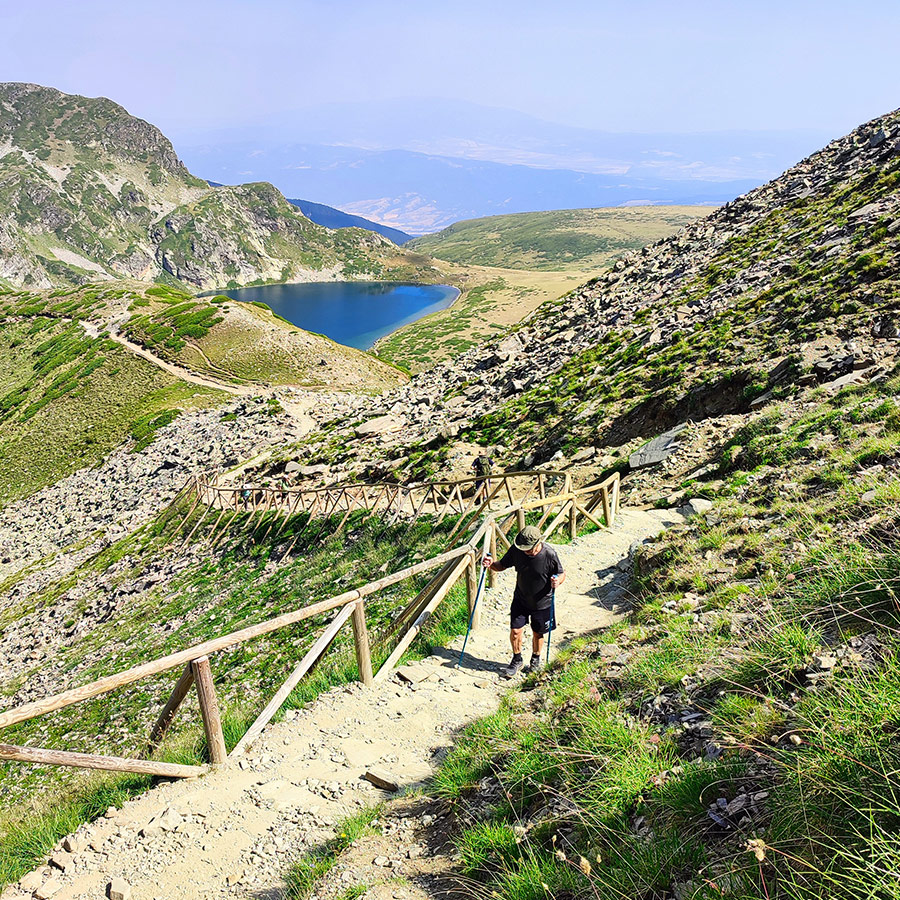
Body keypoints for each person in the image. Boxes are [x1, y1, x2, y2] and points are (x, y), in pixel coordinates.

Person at [482, 525, 566, 678]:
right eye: (523, 548)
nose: (525, 551)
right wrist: (490, 564)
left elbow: (561, 573)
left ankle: (535, 659)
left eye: (528, 548)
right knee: (515, 631)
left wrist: (557, 581)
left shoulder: (549, 554)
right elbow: (501, 565)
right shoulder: (517, 551)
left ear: (537, 543)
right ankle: (516, 659)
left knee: (538, 633)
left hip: (542, 601)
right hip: (520, 598)